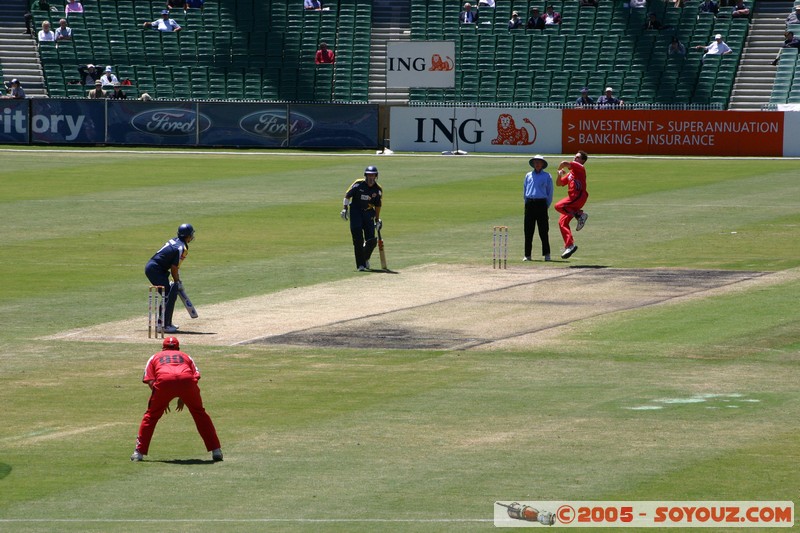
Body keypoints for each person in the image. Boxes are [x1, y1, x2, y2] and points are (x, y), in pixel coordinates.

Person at [130, 336, 223, 463]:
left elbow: (149, 379)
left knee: (151, 416)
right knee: (199, 413)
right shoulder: (186, 356)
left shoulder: (155, 357)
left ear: (163, 347)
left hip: (164, 382)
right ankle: (216, 450)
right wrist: (183, 396)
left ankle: (138, 453)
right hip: (187, 382)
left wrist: (163, 397)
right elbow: (195, 376)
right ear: (178, 347)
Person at [145, 224, 194, 333]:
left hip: (156, 268)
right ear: (188, 236)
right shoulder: (182, 248)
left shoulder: (175, 241)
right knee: (168, 295)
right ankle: (162, 326)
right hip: (155, 270)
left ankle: (167, 322)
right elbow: (174, 267)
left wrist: (177, 281)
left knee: (170, 294)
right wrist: (177, 281)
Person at [341, 166, 382, 272]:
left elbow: (377, 205)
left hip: (368, 214)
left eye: (372, 175)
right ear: (365, 175)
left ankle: (366, 258)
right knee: (358, 239)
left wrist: (377, 220)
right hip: (356, 212)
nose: (370, 177)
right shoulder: (358, 184)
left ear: (376, 176)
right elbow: (347, 196)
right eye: (368, 175)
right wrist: (345, 209)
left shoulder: (378, 190)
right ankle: (361, 265)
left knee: (371, 240)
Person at [554, 151, 589, 259]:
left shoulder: (579, 167)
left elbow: (564, 163)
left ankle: (579, 215)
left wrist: (560, 168)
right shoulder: (571, 173)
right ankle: (570, 246)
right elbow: (559, 184)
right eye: (575, 157)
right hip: (573, 201)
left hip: (577, 196)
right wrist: (559, 175)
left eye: (577, 157)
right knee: (562, 222)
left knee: (558, 206)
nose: (575, 158)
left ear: (582, 160)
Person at [522, 155, 553, 262]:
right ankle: (527, 255)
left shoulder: (547, 176)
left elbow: (550, 193)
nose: (537, 164)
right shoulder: (528, 175)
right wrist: (526, 203)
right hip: (530, 203)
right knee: (528, 231)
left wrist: (546, 205)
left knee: (543, 231)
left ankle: (547, 254)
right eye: (535, 162)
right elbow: (525, 190)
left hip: (541, 204)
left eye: (539, 162)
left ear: (543, 164)